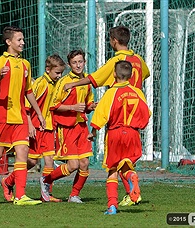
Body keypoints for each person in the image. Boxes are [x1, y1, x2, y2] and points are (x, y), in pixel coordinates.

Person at [64, 25, 150, 206]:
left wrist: (73, 84)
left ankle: (113, 203)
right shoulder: (138, 60)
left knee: (113, 163)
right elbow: (146, 74)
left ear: (114, 41)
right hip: (133, 116)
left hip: (116, 117)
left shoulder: (115, 63)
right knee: (125, 162)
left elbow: (94, 78)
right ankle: (132, 194)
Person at [0, 25, 46, 206]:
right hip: (2, 116)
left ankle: (20, 196)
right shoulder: (1, 61)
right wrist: (0, 77)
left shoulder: (25, 64)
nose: (23, 42)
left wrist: (38, 114)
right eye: (19, 40)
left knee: (23, 152)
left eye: (23, 39)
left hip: (20, 116)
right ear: (9, 42)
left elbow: (28, 91)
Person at [0, 54, 66, 203]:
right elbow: (27, 106)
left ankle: (46, 194)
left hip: (48, 127)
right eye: (57, 73)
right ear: (48, 69)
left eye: (61, 73)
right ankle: (8, 181)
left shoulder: (56, 84)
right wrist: (29, 124)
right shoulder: (39, 84)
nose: (59, 76)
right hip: (35, 127)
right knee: (31, 162)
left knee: (49, 161)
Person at [88, 60, 151, 215]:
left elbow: (102, 113)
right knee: (127, 164)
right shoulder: (137, 92)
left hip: (115, 133)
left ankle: (112, 206)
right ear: (131, 75)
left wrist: (93, 130)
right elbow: (146, 113)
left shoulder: (111, 93)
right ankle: (131, 175)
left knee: (112, 170)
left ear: (114, 74)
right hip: (132, 133)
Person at [39, 49, 96, 203]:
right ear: (70, 65)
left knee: (85, 163)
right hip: (67, 127)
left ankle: (74, 195)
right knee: (72, 165)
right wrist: (72, 107)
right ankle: (46, 180)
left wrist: (91, 106)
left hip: (81, 126)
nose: (78, 65)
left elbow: (87, 101)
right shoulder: (64, 82)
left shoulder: (86, 81)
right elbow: (54, 105)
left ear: (84, 62)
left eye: (80, 61)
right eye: (74, 62)